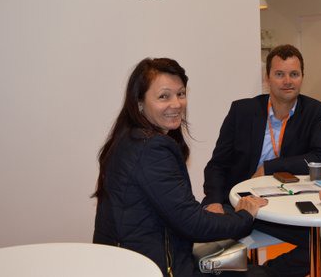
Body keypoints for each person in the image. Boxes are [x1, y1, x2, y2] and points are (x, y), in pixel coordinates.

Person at [92, 58, 269, 276]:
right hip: (155, 267)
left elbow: (177, 211)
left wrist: (211, 214)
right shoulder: (151, 148)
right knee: (256, 272)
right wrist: (244, 216)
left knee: (243, 263)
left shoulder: (129, 138)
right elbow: (193, 224)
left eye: (181, 94)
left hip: (133, 260)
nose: (176, 104)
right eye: (164, 96)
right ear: (139, 102)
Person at [202, 44, 321, 277]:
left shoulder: (313, 111)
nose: (287, 81)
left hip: (284, 206)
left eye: (294, 74)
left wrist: (270, 167)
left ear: (302, 77)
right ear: (267, 78)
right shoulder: (242, 110)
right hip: (237, 202)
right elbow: (217, 164)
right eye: (279, 74)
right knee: (211, 258)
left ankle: (267, 273)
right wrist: (214, 202)